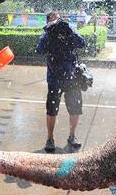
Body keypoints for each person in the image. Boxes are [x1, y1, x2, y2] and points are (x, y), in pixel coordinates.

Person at [37, 12, 86, 153]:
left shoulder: (69, 30)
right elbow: (40, 49)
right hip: (54, 79)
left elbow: (82, 43)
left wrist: (70, 30)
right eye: (54, 19)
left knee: (75, 108)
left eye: (59, 19)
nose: (58, 22)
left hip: (72, 78)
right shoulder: (48, 33)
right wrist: (49, 32)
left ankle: (72, 136)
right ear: (48, 22)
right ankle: (50, 138)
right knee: (52, 110)